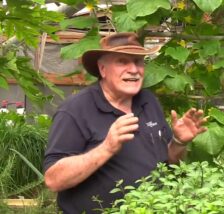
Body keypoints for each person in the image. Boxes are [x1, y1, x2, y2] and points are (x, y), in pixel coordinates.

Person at [43, 32, 207, 213]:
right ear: (102, 69)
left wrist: (178, 142)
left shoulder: (148, 101)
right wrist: (107, 147)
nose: (134, 70)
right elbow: (53, 180)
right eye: (122, 61)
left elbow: (167, 162)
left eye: (138, 62)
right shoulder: (76, 110)